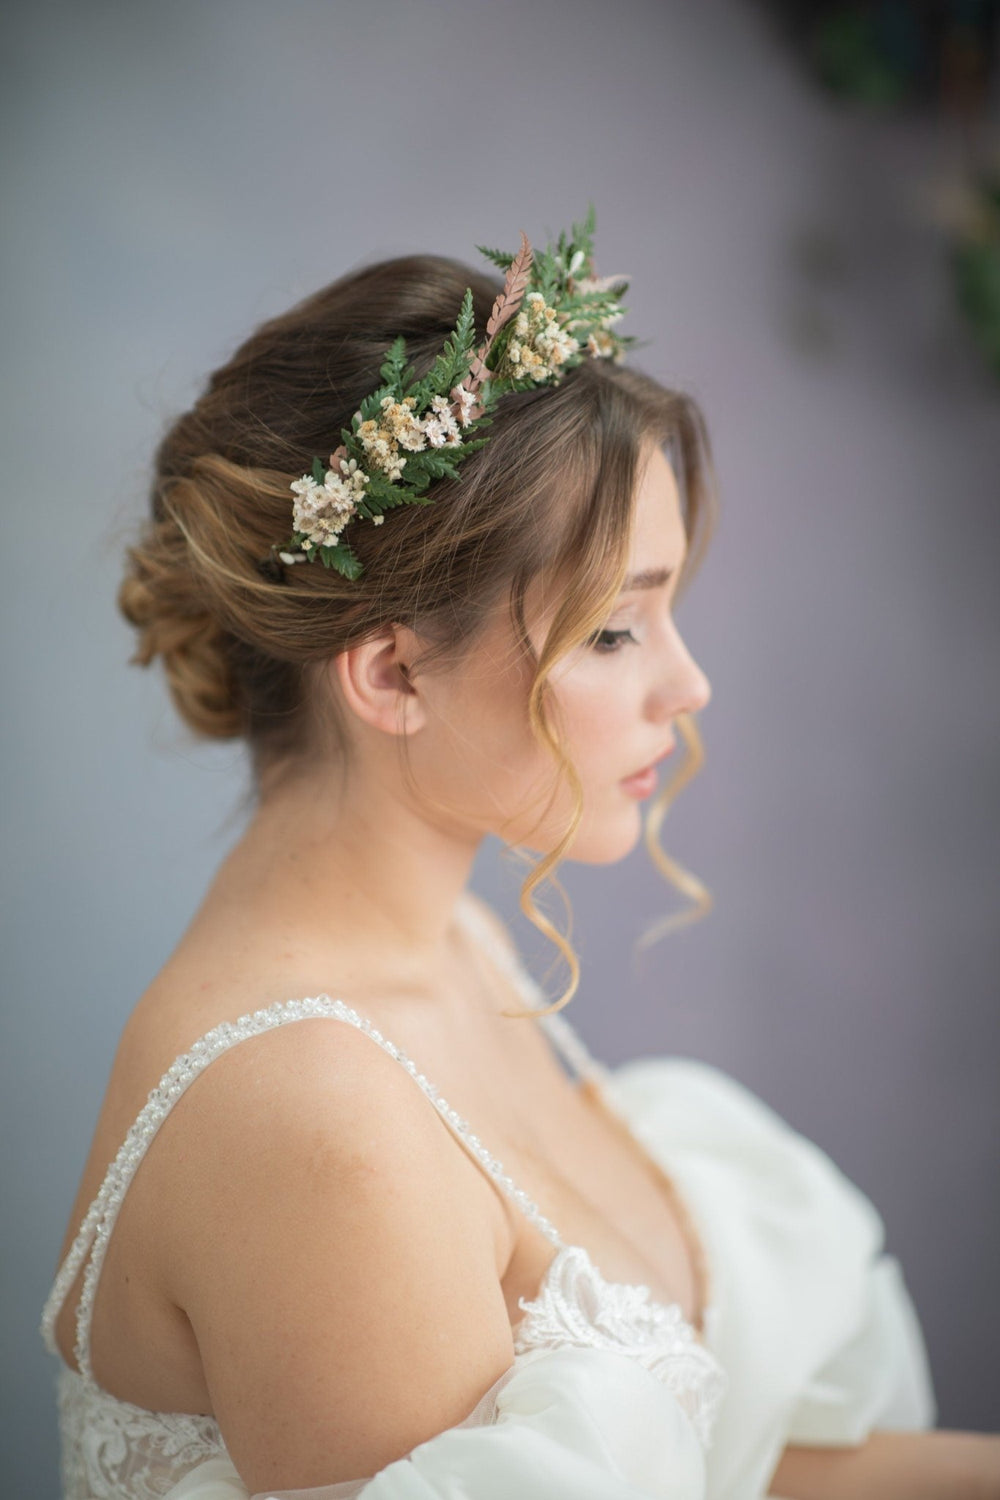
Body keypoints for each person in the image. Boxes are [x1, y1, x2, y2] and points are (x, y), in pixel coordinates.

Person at [39, 216, 998, 1500]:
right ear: (391, 674)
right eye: (614, 632)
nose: (690, 685)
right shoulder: (311, 1120)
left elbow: (739, 1470)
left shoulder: (452, 950)